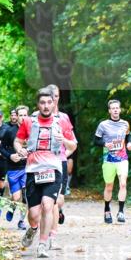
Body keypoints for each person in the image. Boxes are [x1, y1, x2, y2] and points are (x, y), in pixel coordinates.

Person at [16, 88, 76, 258]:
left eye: (49, 102)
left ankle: (42, 244)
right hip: (33, 171)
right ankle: (33, 228)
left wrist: (64, 140)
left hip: (53, 170)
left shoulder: (61, 122)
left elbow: (73, 145)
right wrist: (20, 149)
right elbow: (18, 141)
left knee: (48, 206)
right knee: (34, 214)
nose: (46, 106)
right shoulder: (28, 122)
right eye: (42, 103)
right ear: (38, 104)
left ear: (54, 103)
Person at [94, 99, 131, 224]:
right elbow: (96, 140)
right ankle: (107, 209)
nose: (115, 110)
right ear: (109, 111)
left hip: (122, 158)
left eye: (117, 108)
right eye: (113, 108)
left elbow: (128, 136)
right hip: (108, 159)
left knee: (123, 184)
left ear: (120, 110)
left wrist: (129, 143)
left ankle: (121, 211)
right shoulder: (103, 125)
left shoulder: (125, 124)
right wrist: (105, 144)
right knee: (109, 186)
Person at [45, 84, 75, 233]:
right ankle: (47, 231)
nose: (54, 99)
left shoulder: (64, 118)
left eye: (56, 96)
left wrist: (62, 155)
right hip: (43, 164)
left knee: (58, 200)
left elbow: (73, 144)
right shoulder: (35, 117)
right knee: (46, 201)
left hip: (60, 162)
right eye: (51, 96)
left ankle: (52, 233)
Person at [0, 108, 28, 229]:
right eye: (20, 115)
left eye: (25, 115)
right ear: (16, 116)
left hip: (28, 168)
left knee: (26, 196)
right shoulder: (10, 131)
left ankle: (21, 221)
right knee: (16, 197)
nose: (23, 117)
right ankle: (12, 206)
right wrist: (10, 156)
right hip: (13, 168)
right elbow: (1, 148)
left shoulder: (32, 130)